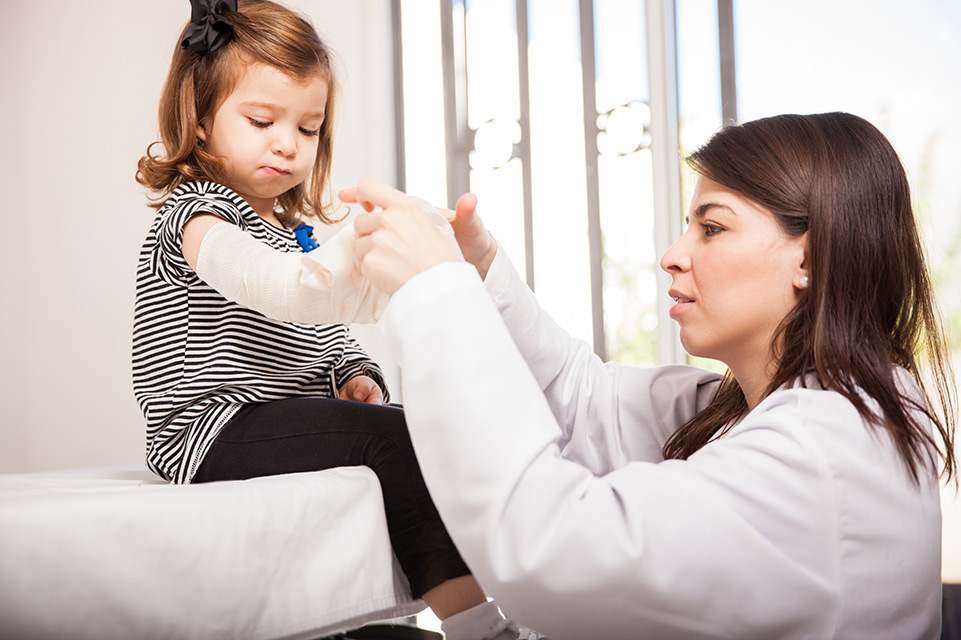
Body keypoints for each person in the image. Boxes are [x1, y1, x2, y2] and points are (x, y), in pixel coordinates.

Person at [345, 112, 958, 639]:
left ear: (811, 257)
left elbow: (552, 551)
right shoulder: (781, 408)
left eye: (711, 228)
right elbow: (583, 397)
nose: (674, 253)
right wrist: (476, 274)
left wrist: (438, 297)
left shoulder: (820, 451)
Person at [132, 2, 534, 638]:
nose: (287, 143)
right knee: (389, 441)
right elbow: (282, 291)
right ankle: (481, 625)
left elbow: (318, 325)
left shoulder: (290, 230)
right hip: (206, 428)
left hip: (267, 415)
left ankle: (391, 610)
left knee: (409, 425)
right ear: (201, 121)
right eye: (262, 120)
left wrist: (352, 368)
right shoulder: (198, 216)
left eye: (309, 128)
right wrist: (369, 267)